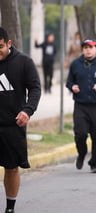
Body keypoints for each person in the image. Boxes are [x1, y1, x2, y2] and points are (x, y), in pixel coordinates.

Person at [0, 27, 41, 213]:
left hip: (12, 125)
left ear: (8, 43)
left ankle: (10, 207)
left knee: (11, 168)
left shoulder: (24, 62)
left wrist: (28, 110)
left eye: (0, 47)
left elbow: (35, 88)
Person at [66, 39, 96, 173]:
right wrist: (72, 87)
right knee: (80, 134)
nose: (88, 50)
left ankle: (94, 162)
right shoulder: (75, 64)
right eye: (85, 47)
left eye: (91, 47)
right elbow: (69, 82)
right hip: (80, 105)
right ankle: (82, 153)